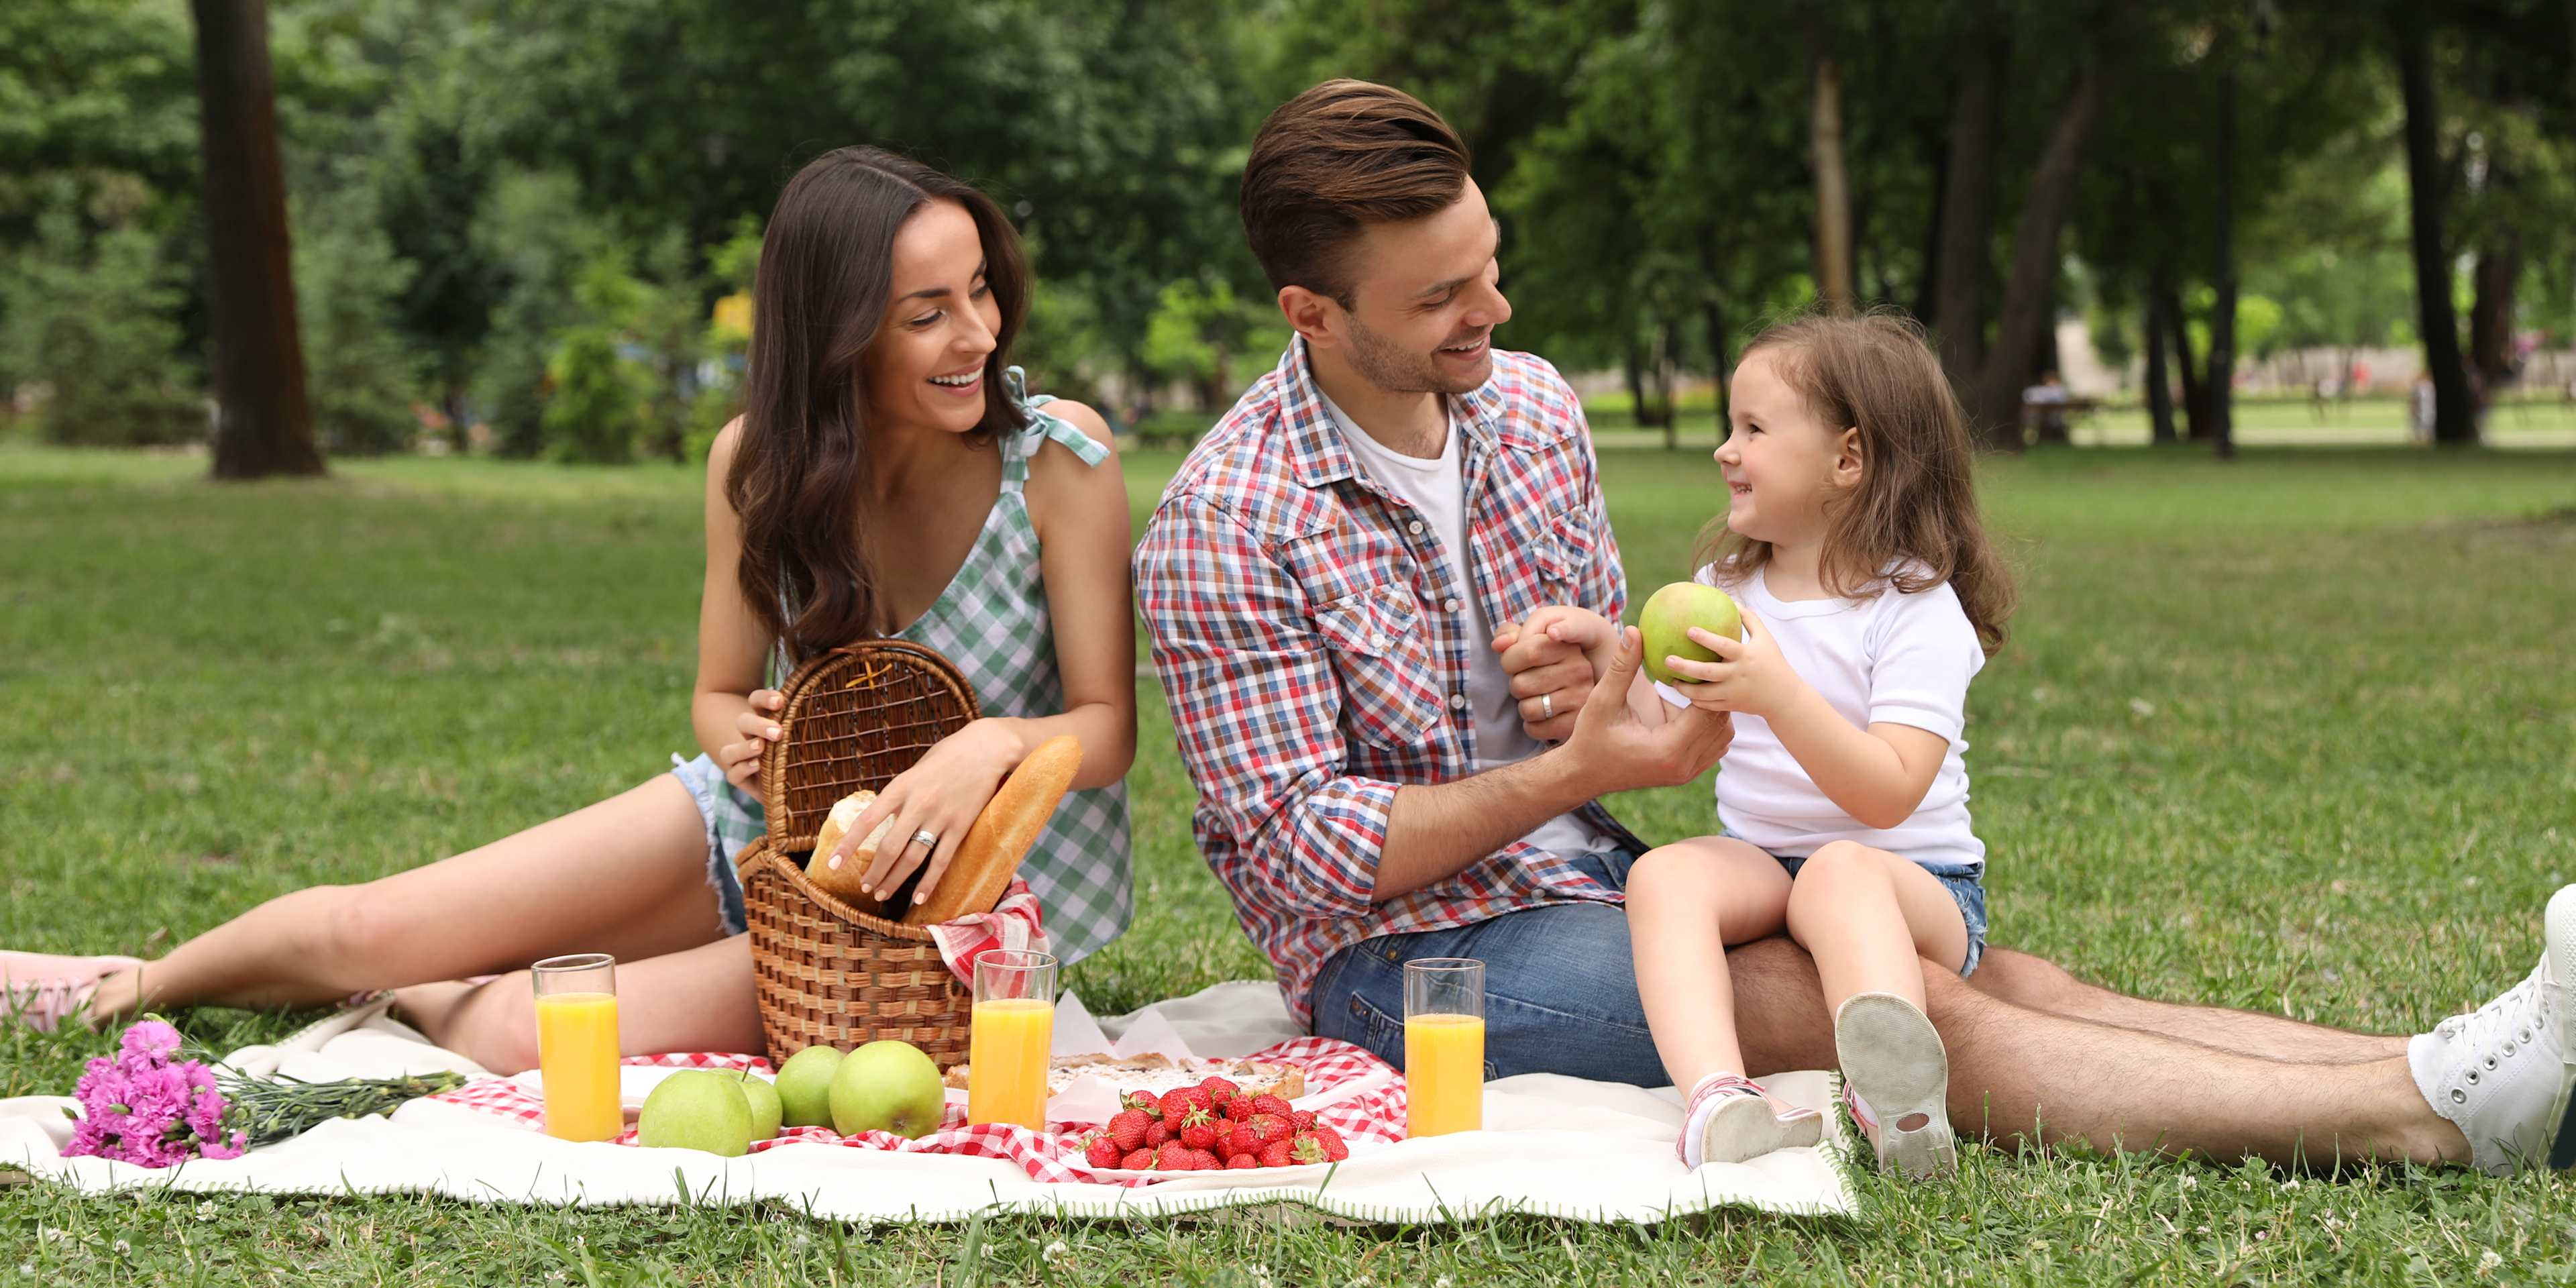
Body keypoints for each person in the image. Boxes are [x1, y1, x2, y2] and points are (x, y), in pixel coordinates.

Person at [1134, 77, 2575, 1177]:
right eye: (1442, 297)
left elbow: (1599, 705)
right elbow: (1303, 852)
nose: (1494, 310)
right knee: (1881, 1009)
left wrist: (1600, 685)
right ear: (1312, 313)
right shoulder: (1221, 520)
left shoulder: (1529, 407)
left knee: (2002, 977)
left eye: (1490, 263)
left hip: (1596, 875)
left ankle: (2466, 1067)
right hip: (1410, 960)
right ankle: (2427, 1122)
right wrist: (1575, 773)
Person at [2, 147, 1139, 1072]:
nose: (979, 335)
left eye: (981, 288)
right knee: (366, 926)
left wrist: (990, 746)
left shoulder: (1058, 462)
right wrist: (731, 733)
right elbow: (712, 691)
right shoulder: (758, 459)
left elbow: (1105, 731)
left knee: (516, 1028)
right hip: (764, 830)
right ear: (837, 330)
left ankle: (410, 995)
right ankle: (120, 988)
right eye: (926, 313)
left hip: (941, 919)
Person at [1527, 313, 2011, 1177]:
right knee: (1664, 873)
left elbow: (1890, 793)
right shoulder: (1730, 589)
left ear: (1848, 460)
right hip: (1770, 866)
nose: (1725, 449)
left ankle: (1898, 1104)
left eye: (1752, 429)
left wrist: (1779, 694)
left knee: (1840, 870)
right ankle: (1719, 1097)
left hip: (1915, 883)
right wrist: (1611, 651)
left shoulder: (1914, 608)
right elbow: (1659, 712)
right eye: (1729, 425)